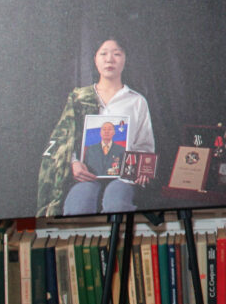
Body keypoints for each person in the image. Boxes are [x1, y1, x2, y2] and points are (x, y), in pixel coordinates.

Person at [37, 37, 155, 217]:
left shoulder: (136, 101)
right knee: (77, 206)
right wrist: (74, 164)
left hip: (124, 177)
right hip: (86, 175)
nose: (110, 59)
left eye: (117, 54)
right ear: (95, 59)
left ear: (125, 59)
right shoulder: (80, 98)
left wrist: (142, 169)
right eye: (103, 54)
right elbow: (64, 141)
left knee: (116, 203)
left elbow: (145, 145)